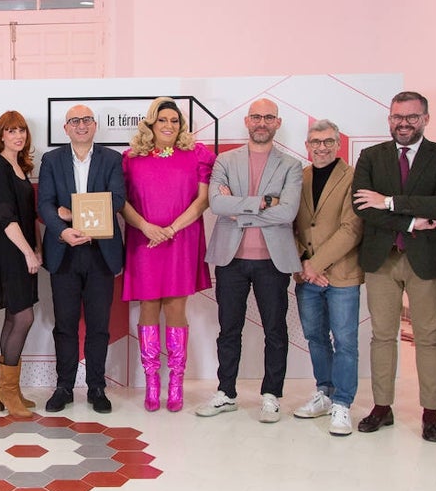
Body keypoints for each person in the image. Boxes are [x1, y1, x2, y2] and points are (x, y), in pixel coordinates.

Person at [352, 90, 436, 442]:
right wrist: (411, 222)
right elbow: (361, 208)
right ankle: (382, 407)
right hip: (382, 260)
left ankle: (431, 413)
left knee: (428, 337)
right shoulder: (370, 156)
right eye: (397, 117)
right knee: (382, 336)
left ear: (425, 119)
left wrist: (389, 202)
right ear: (389, 119)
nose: (404, 123)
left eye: (412, 117)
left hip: (427, 261)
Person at [200, 97, 303, 422]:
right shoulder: (225, 161)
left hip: (273, 261)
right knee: (229, 329)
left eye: (268, 118)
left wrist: (241, 207)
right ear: (247, 121)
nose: (262, 122)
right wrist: (263, 204)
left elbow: (288, 211)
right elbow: (217, 205)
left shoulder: (291, 165)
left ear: (277, 123)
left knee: (275, 331)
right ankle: (226, 392)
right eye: (256, 117)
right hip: (230, 259)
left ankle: (271, 395)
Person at [120, 97, 214, 413]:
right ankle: (152, 382)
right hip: (144, 241)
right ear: (151, 123)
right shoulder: (131, 158)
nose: (169, 126)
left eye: (175, 120)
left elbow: (202, 202)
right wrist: (147, 227)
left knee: (176, 307)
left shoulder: (197, 155)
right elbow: (121, 202)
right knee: (148, 306)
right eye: (163, 120)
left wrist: (171, 229)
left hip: (180, 240)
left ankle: (175, 382)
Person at [38, 105, 126, 413]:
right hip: (64, 251)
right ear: (66, 128)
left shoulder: (113, 159)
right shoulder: (51, 160)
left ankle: (96, 387)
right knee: (65, 325)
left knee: (99, 325)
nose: (81, 125)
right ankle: (64, 386)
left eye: (86, 120)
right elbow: (46, 205)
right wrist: (63, 231)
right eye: (74, 121)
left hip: (101, 252)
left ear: (95, 125)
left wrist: (75, 214)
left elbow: (116, 199)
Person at [291, 120, 364, 436]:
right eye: (315, 141)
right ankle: (325, 392)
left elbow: (352, 228)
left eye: (328, 141)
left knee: (345, 341)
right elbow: (287, 224)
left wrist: (315, 265)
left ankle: (343, 404)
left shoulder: (353, 178)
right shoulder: (299, 177)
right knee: (315, 337)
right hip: (306, 276)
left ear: (339, 144)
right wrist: (301, 263)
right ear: (307, 145)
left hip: (341, 274)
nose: (321, 147)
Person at [0, 111, 42, 418]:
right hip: (10, 253)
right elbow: (5, 219)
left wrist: (38, 247)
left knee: (13, 318)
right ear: (1, 136)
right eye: (11, 130)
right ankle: (7, 390)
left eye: (21, 129)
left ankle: (8, 389)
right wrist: (27, 253)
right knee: (23, 318)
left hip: (23, 250)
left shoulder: (20, 167)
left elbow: (28, 215)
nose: (18, 135)